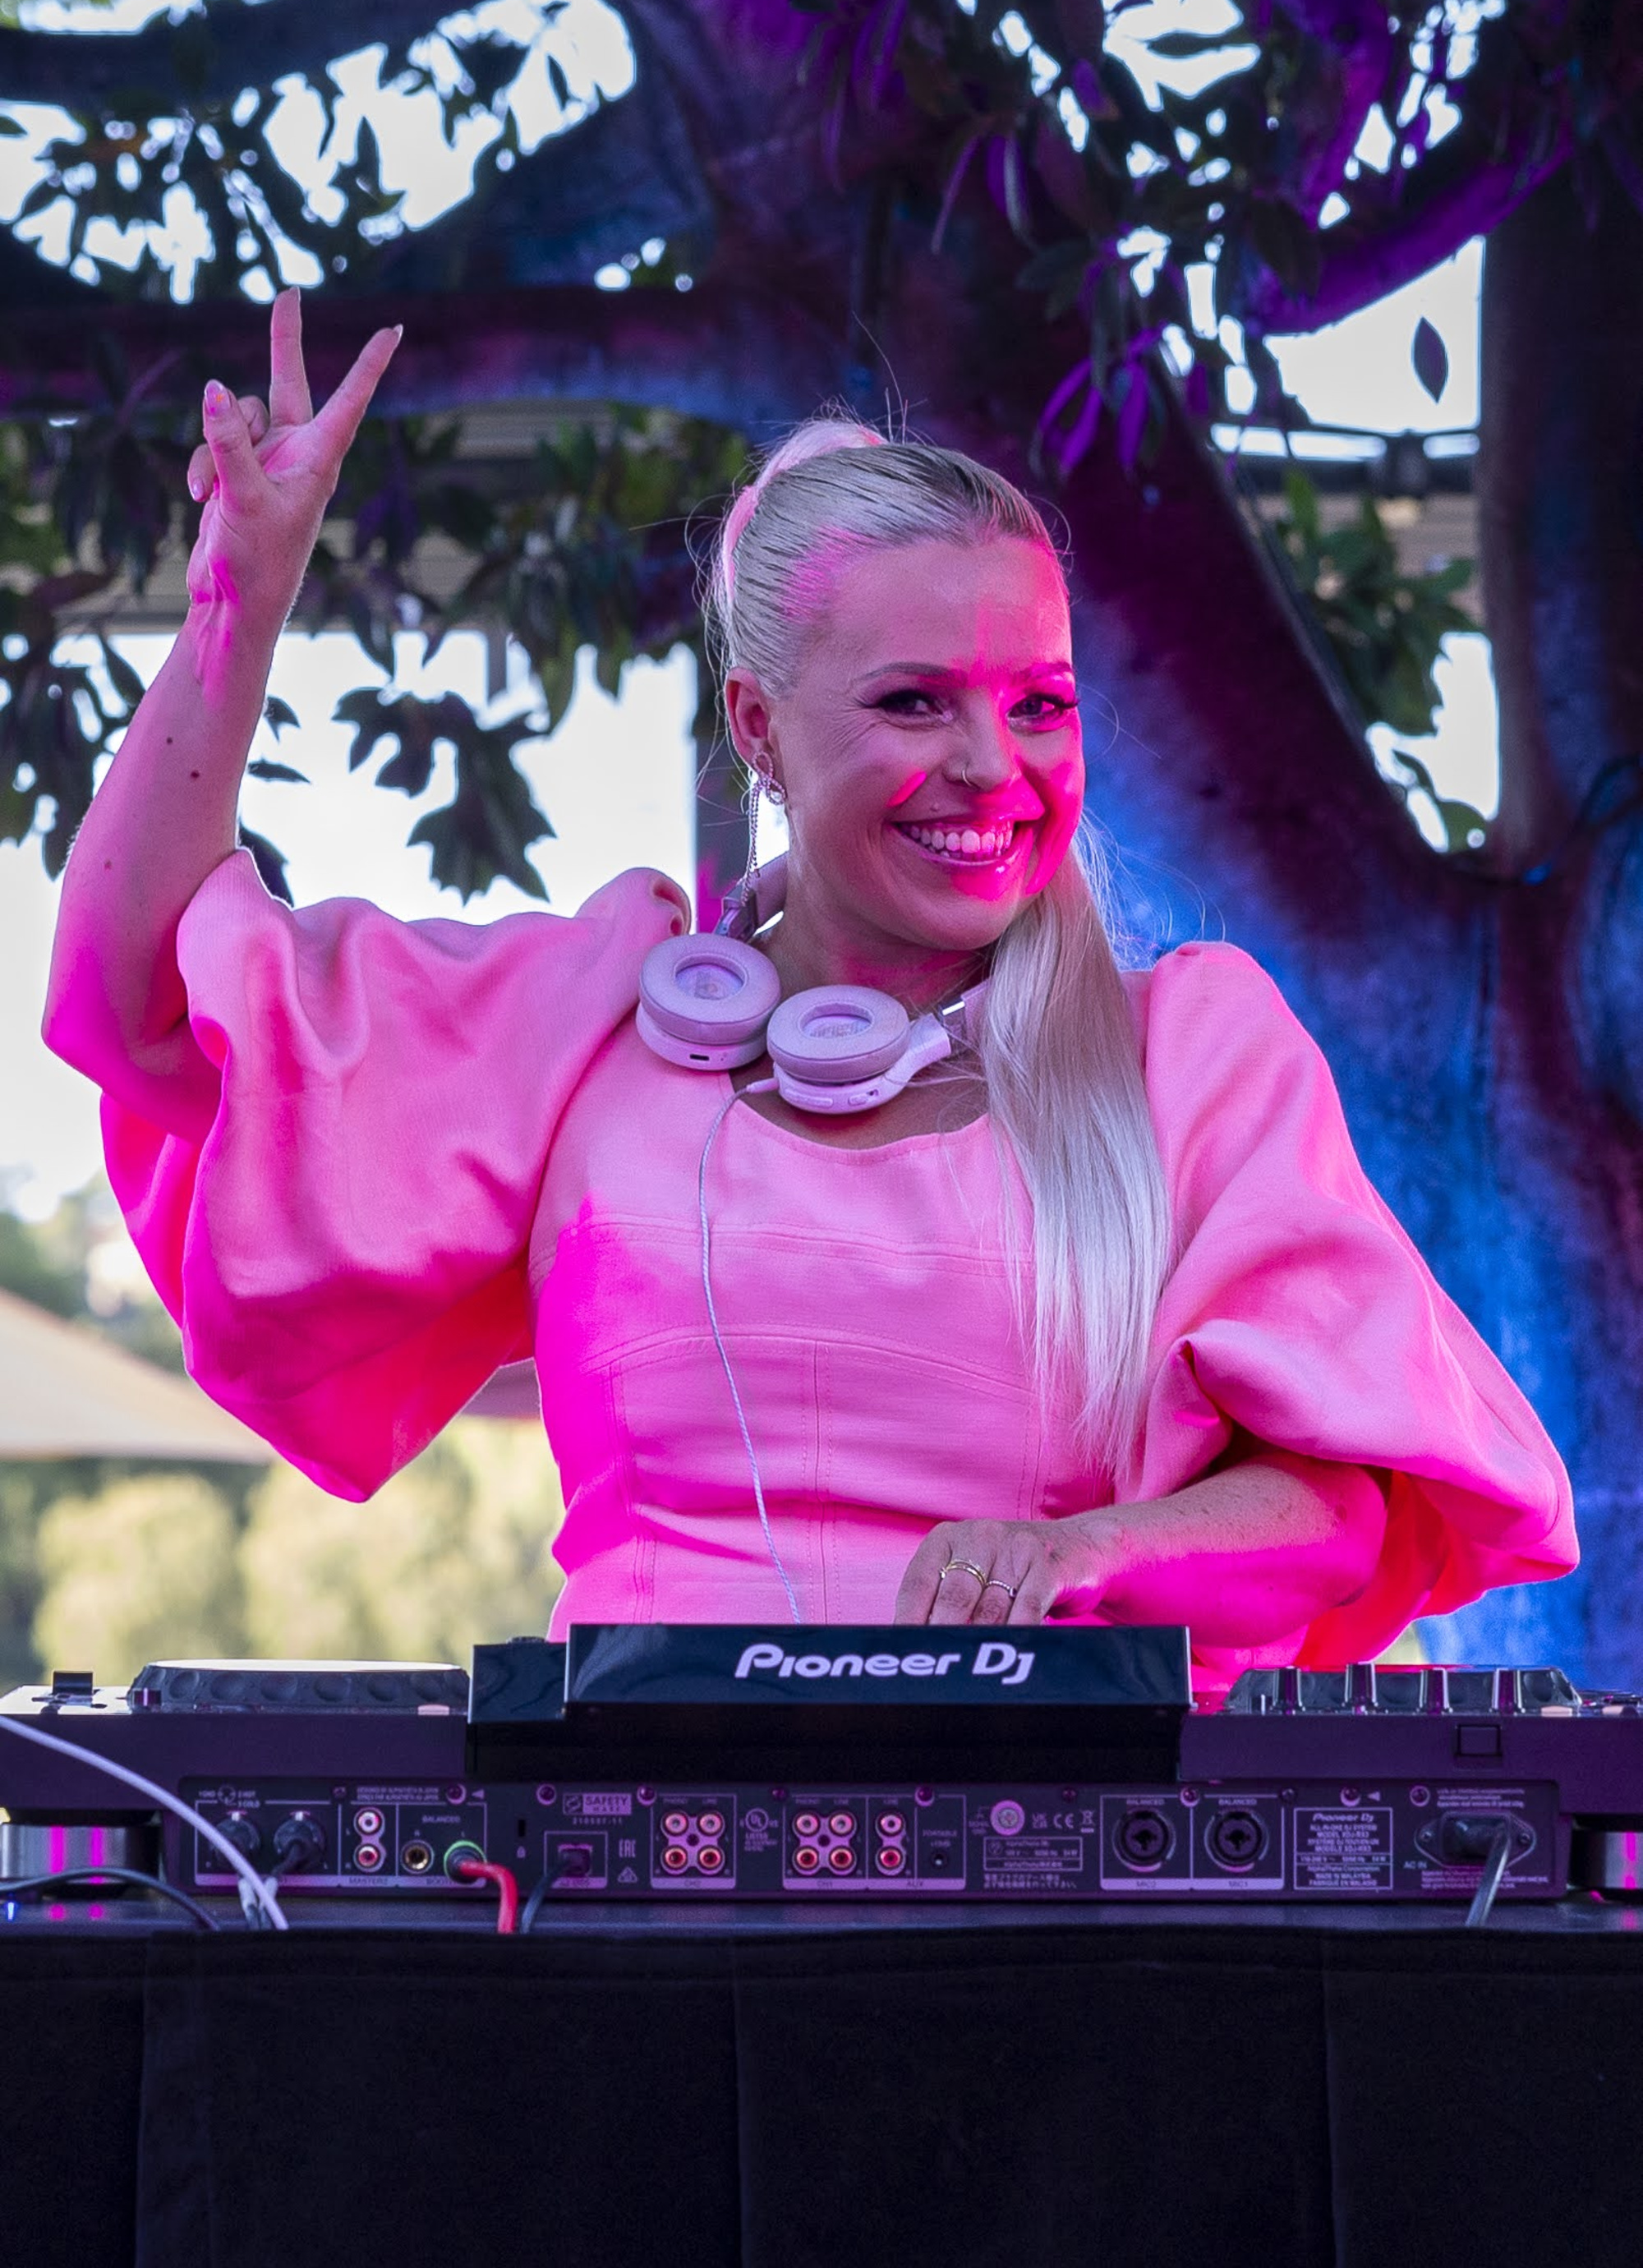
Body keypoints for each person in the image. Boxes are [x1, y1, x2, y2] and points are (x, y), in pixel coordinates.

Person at [44, 291, 1575, 1686]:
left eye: (1038, 703)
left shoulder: (1190, 1055)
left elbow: (1339, 1512)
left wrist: (1087, 1555)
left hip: (1072, 1897)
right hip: (633, 1878)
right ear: (758, 728)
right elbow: (132, 1006)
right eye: (915, 701)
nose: (993, 767)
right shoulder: (592, 1021)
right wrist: (238, 606)